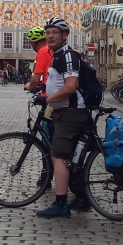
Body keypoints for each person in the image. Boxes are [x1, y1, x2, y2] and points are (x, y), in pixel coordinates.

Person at [36, 18, 90, 218]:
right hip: (65, 111)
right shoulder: (59, 54)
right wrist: (44, 88)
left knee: (58, 156)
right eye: (48, 32)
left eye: (55, 32)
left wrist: (48, 98)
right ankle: (82, 197)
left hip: (71, 113)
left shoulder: (67, 55)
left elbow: (70, 86)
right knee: (71, 157)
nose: (50, 36)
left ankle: (61, 204)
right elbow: (59, 81)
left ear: (64, 35)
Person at [24, 26, 53, 93]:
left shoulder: (43, 51)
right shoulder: (51, 48)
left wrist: (30, 86)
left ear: (33, 43)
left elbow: (36, 79)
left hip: (49, 92)